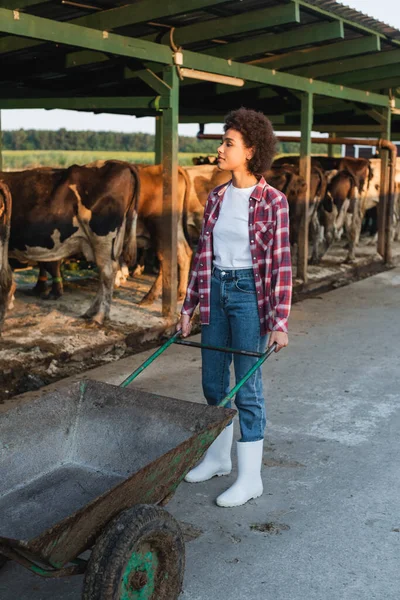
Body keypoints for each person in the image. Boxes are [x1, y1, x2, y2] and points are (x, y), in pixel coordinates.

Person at [177, 108, 292, 507]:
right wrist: (187, 306)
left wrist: (279, 321)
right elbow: (201, 256)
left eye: (229, 142)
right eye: (222, 141)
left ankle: (250, 479)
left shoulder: (273, 201)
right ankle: (218, 458)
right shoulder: (216, 197)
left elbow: (280, 264)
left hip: (248, 296)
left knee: (247, 388)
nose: (221, 148)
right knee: (213, 383)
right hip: (214, 290)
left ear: (250, 151)